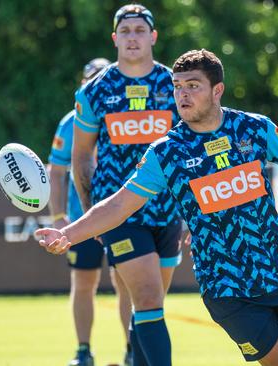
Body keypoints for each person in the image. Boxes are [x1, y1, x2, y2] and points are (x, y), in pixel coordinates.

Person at [39, 49, 278, 366]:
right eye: (177, 86)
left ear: (217, 90)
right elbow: (118, 206)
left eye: (193, 85)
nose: (182, 94)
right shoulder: (166, 153)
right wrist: (67, 233)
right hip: (228, 289)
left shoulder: (254, 129)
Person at [71, 4, 183, 366]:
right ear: (114, 38)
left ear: (153, 37)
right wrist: (94, 216)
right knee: (148, 296)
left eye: (139, 30)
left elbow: (192, 150)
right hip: (120, 212)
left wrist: (194, 212)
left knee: (149, 306)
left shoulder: (176, 85)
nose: (132, 37)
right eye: (126, 31)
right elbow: (82, 158)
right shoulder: (93, 93)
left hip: (168, 210)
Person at [48, 58, 135, 366]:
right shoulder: (71, 121)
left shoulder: (127, 113)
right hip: (80, 219)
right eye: (90, 79)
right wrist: (59, 218)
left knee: (126, 283)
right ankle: (83, 351)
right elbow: (56, 171)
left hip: (121, 216)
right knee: (84, 284)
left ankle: (131, 350)